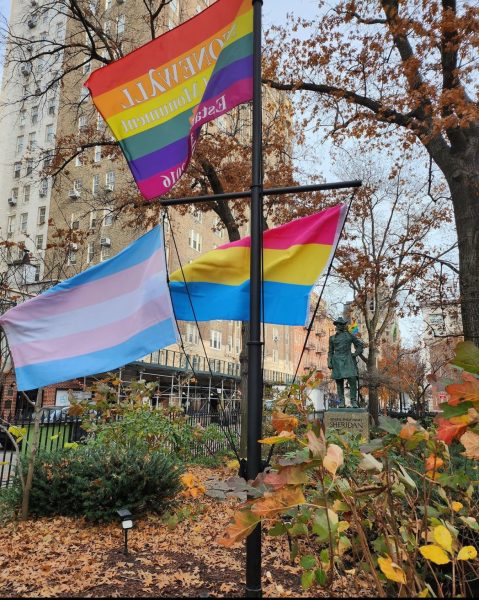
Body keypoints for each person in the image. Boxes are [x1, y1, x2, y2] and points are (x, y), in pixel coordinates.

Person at [328, 317, 365, 408]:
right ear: (337, 325)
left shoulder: (349, 336)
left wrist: (355, 354)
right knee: (339, 382)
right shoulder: (332, 338)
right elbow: (330, 351)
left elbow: (360, 345)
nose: (342, 326)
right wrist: (329, 361)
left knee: (352, 380)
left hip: (348, 359)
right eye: (340, 324)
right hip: (337, 361)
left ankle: (353, 401)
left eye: (343, 324)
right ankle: (341, 401)